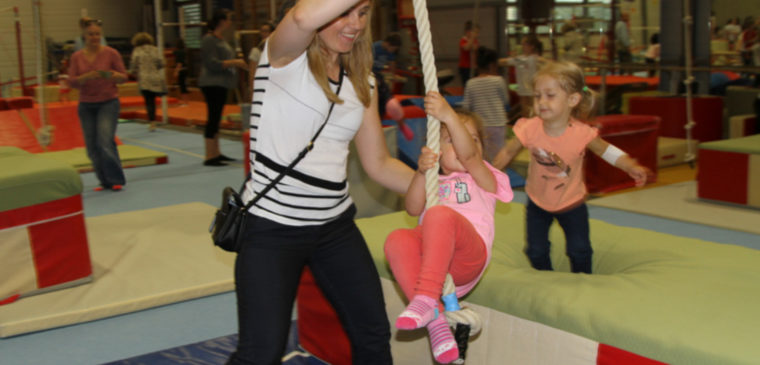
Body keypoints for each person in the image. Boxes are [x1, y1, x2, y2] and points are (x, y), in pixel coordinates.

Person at [227, 1, 415, 364]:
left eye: (363, 14)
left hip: (334, 229)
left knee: (373, 334)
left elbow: (379, 164)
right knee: (261, 352)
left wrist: (441, 188)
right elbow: (300, 18)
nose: (355, 24)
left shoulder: (364, 81)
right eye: (345, 12)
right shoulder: (282, 60)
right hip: (272, 228)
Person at [385, 92, 513, 363]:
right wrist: (421, 173)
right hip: (438, 267)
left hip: (468, 256)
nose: (463, 145)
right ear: (437, 149)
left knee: (439, 215)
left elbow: (468, 157)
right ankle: (435, 321)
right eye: (450, 140)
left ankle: (425, 296)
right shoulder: (435, 184)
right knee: (397, 238)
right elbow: (412, 208)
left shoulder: (484, 176)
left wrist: (449, 117)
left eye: (472, 139)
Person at [493, 61, 649, 274]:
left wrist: (630, 165)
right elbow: (508, 152)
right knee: (535, 250)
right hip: (537, 202)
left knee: (579, 249)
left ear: (573, 100)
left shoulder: (582, 133)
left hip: (572, 203)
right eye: (537, 96)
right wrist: (491, 173)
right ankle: (545, 275)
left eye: (550, 95)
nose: (541, 102)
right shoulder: (530, 128)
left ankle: (583, 279)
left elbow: (605, 150)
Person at [67, 19, 128, 191]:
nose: (94, 37)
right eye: (91, 34)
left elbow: (124, 77)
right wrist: (85, 77)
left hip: (108, 102)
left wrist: (114, 75)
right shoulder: (77, 57)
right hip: (86, 105)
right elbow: (71, 81)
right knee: (92, 147)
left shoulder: (111, 53)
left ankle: (115, 178)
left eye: (97, 34)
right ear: (84, 37)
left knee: (105, 141)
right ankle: (104, 180)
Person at [198, 9, 248, 166]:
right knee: (213, 117)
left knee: (216, 117)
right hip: (212, 83)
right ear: (221, 21)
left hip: (221, 83)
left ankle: (216, 152)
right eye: (229, 19)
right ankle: (209, 155)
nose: (230, 22)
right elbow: (211, 63)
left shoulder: (221, 39)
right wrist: (235, 62)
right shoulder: (209, 39)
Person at [462, 47, 509, 162]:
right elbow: (505, 101)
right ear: (493, 65)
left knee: (482, 156)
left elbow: (466, 107)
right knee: (500, 156)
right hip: (498, 124)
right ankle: (499, 177)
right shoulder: (498, 81)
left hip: (481, 125)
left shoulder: (471, 83)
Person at [373, 33, 414, 140]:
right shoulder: (375, 48)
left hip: (379, 76)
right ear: (386, 43)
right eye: (392, 48)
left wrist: (393, 75)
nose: (392, 51)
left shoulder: (389, 52)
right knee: (380, 105)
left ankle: (402, 125)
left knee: (392, 104)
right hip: (370, 75)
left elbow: (392, 64)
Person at [129, 32, 167, 131]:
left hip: (144, 78)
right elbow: (162, 63)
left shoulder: (137, 50)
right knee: (153, 101)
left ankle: (152, 122)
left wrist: (133, 72)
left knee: (148, 101)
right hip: (155, 77)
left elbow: (133, 64)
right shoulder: (155, 49)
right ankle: (153, 121)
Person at [499, 35, 544, 118]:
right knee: (525, 113)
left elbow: (548, 63)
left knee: (535, 113)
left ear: (532, 47)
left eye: (524, 45)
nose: (522, 47)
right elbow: (502, 62)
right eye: (522, 45)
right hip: (523, 90)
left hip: (533, 90)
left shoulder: (535, 59)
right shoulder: (518, 59)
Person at [458, 20, 479, 86]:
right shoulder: (463, 40)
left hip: (473, 67)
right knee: (467, 85)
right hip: (465, 67)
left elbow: (475, 48)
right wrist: (472, 38)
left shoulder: (475, 41)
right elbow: (466, 48)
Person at [172, 38, 190, 105]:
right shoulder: (185, 51)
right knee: (184, 85)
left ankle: (185, 101)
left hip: (181, 70)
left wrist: (176, 71)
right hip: (185, 69)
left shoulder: (179, 52)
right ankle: (185, 100)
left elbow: (179, 63)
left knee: (182, 85)